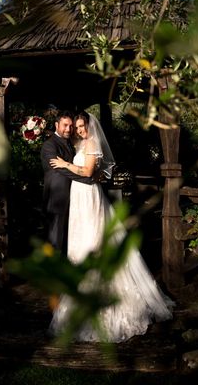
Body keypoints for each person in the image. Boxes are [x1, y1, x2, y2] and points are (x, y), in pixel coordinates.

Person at [48, 111, 174, 343]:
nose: (79, 130)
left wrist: (65, 164)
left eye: (82, 126)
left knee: (93, 243)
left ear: (89, 125)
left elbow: (87, 172)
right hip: (79, 197)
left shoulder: (92, 142)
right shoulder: (79, 144)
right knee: (79, 244)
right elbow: (89, 172)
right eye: (76, 127)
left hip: (89, 197)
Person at [40, 110, 97, 255]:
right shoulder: (49, 145)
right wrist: (87, 177)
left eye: (71, 126)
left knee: (70, 235)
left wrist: (92, 172)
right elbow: (62, 171)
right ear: (56, 125)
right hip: (57, 198)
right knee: (55, 236)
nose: (69, 129)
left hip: (75, 197)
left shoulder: (72, 143)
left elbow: (83, 163)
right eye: (65, 125)